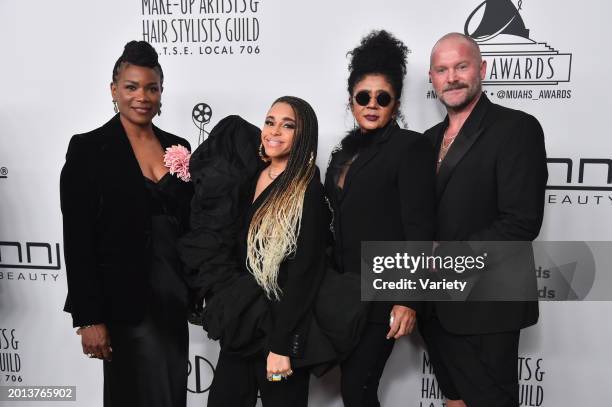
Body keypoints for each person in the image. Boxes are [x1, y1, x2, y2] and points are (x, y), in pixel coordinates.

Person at [60, 41, 193, 407]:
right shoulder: (89, 149)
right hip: (124, 308)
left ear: (161, 92)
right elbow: (78, 240)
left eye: (151, 87)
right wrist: (89, 319)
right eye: (132, 87)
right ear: (114, 90)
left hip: (172, 301)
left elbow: (192, 225)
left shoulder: (178, 147)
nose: (142, 96)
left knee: (170, 396)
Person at [419, 32, 548, 407]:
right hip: (436, 307)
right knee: (454, 401)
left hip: (488, 306)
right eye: (442, 70)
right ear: (432, 79)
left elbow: (522, 221)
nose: (452, 77)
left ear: (482, 69)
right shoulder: (425, 141)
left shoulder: (517, 128)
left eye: (461, 66)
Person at [182, 97, 329, 407]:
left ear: (303, 135)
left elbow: (305, 276)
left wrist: (281, 347)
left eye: (288, 125)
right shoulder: (252, 173)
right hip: (243, 324)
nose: (274, 131)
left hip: (276, 335)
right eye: (270, 121)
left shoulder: (307, 190)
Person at [324, 30, 436, 407]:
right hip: (342, 292)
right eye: (363, 97)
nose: (372, 105)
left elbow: (419, 227)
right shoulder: (341, 154)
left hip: (385, 290)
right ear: (352, 101)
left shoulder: (410, 148)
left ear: (396, 103)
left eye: (382, 98)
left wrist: (409, 300)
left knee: (357, 386)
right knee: (354, 387)